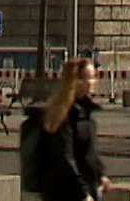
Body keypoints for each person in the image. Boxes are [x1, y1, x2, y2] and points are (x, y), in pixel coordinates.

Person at [29, 57, 108, 201]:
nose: (94, 81)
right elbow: (65, 157)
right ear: (77, 82)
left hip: (86, 187)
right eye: (90, 77)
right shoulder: (63, 114)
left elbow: (88, 152)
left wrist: (100, 174)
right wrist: (82, 193)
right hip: (65, 192)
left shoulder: (85, 111)